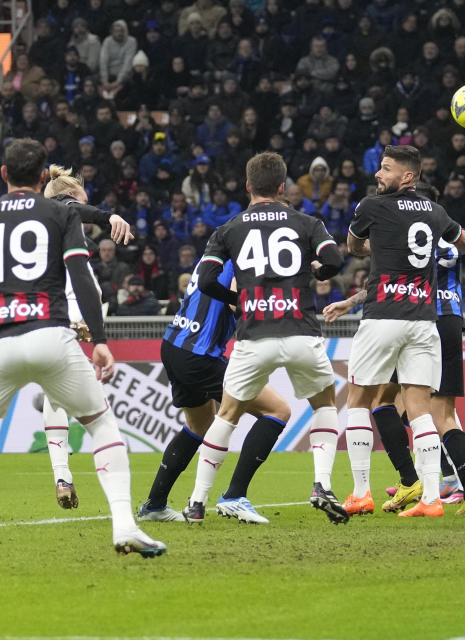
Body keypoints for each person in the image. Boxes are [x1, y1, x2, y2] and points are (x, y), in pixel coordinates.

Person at [0, 139, 165, 566]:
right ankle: (125, 525)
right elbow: (80, 275)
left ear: (3, 174)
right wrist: (98, 339)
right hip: (51, 336)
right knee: (102, 426)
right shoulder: (59, 212)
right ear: (43, 177)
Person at [185, 151, 349, 525]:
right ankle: (322, 484)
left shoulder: (229, 228)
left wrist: (237, 301)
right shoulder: (307, 223)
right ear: (282, 187)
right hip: (300, 332)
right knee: (323, 406)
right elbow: (335, 261)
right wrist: (319, 272)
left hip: (253, 335)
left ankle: (197, 502)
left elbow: (208, 280)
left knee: (226, 415)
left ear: (247, 186)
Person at [324, 181, 465, 516]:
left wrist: (352, 302)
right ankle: (463, 493)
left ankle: (411, 479)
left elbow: (385, 278)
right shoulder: (447, 233)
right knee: (431, 411)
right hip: (445, 321)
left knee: (381, 400)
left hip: (408, 314)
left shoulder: (399, 232)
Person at [136, 257, 293, 525]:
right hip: (201, 355)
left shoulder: (216, 251)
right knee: (277, 410)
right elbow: (236, 301)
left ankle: (155, 505)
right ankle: (234, 496)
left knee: (199, 425)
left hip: (174, 344)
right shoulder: (244, 252)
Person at [40, 165, 133, 508]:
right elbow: (71, 207)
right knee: (99, 414)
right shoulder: (61, 211)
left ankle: (62, 475)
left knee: (54, 399)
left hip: (48, 316)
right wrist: (108, 216)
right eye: (81, 200)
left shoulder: (46, 230)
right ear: (69, 198)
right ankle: (122, 507)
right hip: (69, 312)